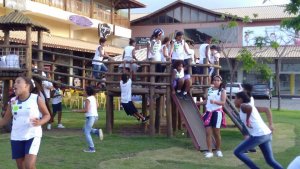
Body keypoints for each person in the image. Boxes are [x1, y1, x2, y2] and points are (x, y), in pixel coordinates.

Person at [0, 76, 51, 169]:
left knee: (29, 166)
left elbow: (47, 115)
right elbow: (5, 120)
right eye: (14, 82)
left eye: (18, 82)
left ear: (27, 86)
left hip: (32, 135)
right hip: (16, 137)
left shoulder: (36, 99)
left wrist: (40, 122)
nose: (15, 84)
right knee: (21, 167)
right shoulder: (13, 101)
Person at [233, 91, 283, 169]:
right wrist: (270, 124)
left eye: (235, 98)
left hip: (259, 135)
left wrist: (247, 120)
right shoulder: (249, 106)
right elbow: (266, 109)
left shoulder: (243, 106)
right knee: (270, 161)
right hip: (266, 134)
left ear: (240, 99)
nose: (234, 101)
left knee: (237, 152)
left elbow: (248, 109)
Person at [200, 75, 226, 158]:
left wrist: (214, 101)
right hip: (208, 113)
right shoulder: (210, 89)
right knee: (208, 133)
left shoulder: (222, 90)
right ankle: (210, 151)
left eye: (218, 80)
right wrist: (199, 103)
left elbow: (223, 102)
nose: (216, 82)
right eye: (214, 80)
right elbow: (207, 101)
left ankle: (218, 150)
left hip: (217, 113)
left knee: (216, 133)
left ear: (220, 82)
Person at [72, 86, 103, 153]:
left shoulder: (88, 99)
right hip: (94, 116)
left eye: (84, 90)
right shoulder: (93, 98)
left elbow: (86, 110)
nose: (83, 92)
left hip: (91, 117)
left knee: (87, 132)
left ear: (87, 92)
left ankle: (92, 148)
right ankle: (96, 132)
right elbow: (97, 106)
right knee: (84, 129)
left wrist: (76, 111)